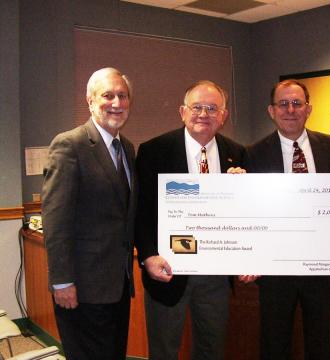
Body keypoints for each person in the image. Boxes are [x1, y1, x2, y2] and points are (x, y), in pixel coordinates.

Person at [135, 80, 245, 360]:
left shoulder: (238, 154)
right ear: (182, 112)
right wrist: (148, 256)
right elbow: (142, 211)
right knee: (164, 350)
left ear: (223, 116)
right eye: (197, 107)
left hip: (216, 275)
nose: (203, 114)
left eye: (212, 108)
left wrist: (242, 190)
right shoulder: (153, 151)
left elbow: (245, 215)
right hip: (168, 268)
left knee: (211, 348)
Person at [244, 79, 330, 360]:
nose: (290, 110)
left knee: (321, 342)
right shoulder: (253, 153)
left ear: (309, 109)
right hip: (276, 268)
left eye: (297, 103)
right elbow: (250, 210)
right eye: (283, 104)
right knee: (275, 341)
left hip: (322, 266)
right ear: (271, 111)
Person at [42, 67, 137, 360]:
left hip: (118, 285)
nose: (117, 103)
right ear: (90, 100)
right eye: (108, 95)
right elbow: (56, 221)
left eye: (123, 96)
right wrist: (62, 281)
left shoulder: (127, 148)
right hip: (81, 288)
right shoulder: (70, 144)